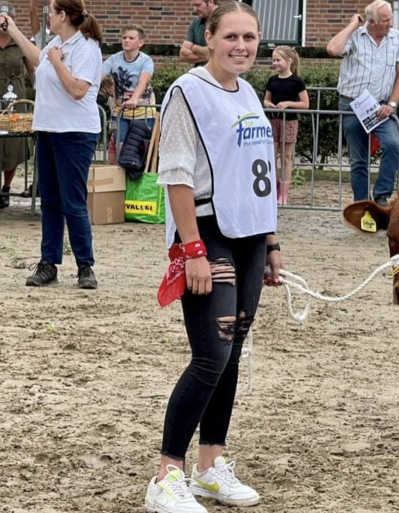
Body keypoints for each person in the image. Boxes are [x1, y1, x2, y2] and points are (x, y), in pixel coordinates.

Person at [145, 3, 282, 512]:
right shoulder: (187, 91)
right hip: (206, 231)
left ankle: (209, 466)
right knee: (211, 354)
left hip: (249, 234)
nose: (242, 46)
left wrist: (271, 244)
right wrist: (192, 250)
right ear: (210, 36)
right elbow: (175, 176)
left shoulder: (247, 90)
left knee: (233, 353)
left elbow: (258, 175)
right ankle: (166, 475)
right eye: (232, 36)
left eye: (250, 36)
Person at [1, 0, 102, 288]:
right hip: (48, 129)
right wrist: (14, 29)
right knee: (50, 202)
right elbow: (36, 57)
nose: (48, 15)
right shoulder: (57, 42)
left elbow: (78, 90)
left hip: (74, 132)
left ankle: (85, 266)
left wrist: (57, 61)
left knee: (73, 202)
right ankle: (49, 263)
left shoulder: (85, 47)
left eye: (51, 11)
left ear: (63, 15)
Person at [326, 0, 399, 205]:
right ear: (371, 21)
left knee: (392, 144)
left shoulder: (397, 38)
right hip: (352, 104)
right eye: (385, 20)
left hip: (381, 106)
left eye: (391, 18)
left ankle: (381, 196)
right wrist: (353, 24)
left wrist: (392, 104)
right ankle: (362, 204)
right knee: (358, 160)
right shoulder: (354, 36)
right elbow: (333, 49)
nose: (390, 23)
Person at [101, 24, 155, 165]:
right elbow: (97, 76)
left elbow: (143, 81)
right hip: (121, 110)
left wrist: (135, 98)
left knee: (141, 146)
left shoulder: (145, 60)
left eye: (131, 38)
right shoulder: (114, 59)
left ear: (140, 42)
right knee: (120, 145)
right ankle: (120, 179)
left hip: (144, 110)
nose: (126, 40)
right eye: (124, 37)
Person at [0, 1, 35, 209]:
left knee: (12, 145)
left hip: (15, 93)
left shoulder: (19, 41)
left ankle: (6, 188)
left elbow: (33, 71)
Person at [264, 45, 308, 205]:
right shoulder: (272, 80)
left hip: (288, 121)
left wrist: (288, 104)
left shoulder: (297, 81)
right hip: (273, 120)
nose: (275, 63)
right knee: (272, 155)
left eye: (278, 60)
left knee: (286, 157)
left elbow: (305, 104)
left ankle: (284, 193)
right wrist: (269, 104)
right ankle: (274, 188)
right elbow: (266, 99)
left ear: (289, 61)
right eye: (273, 60)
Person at [179, 0, 217, 66]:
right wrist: (210, 55)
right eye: (193, 6)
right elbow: (183, 54)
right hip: (199, 73)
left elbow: (221, 52)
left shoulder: (225, 20)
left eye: (198, 5)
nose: (195, 9)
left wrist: (195, 48)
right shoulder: (196, 22)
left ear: (210, 2)